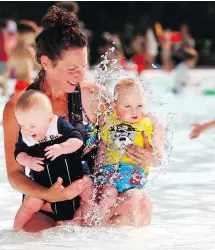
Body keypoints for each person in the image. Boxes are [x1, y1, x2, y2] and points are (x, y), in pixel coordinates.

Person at [3, 6, 164, 232]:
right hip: (46, 204)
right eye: (71, 69)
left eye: (83, 66)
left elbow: (134, 130)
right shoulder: (18, 107)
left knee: (140, 203)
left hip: (95, 208)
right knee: (30, 238)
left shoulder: (93, 97)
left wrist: (151, 157)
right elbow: (14, 174)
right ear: (47, 62)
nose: (80, 76)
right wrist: (48, 194)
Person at [13, 90, 94, 231]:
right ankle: (16, 231)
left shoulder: (59, 125)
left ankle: (82, 224)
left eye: (32, 126)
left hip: (73, 181)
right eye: (22, 125)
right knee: (30, 203)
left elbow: (78, 140)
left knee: (88, 191)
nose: (27, 130)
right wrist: (29, 161)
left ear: (49, 119)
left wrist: (62, 147)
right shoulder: (26, 135)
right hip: (45, 189)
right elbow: (18, 154)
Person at [95, 79, 155, 224]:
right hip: (111, 174)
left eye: (139, 105)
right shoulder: (110, 122)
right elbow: (103, 146)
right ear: (115, 107)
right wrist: (98, 167)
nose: (135, 111)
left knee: (135, 200)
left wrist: (148, 152)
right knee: (108, 194)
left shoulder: (146, 124)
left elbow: (152, 151)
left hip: (133, 177)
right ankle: (98, 223)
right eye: (127, 106)